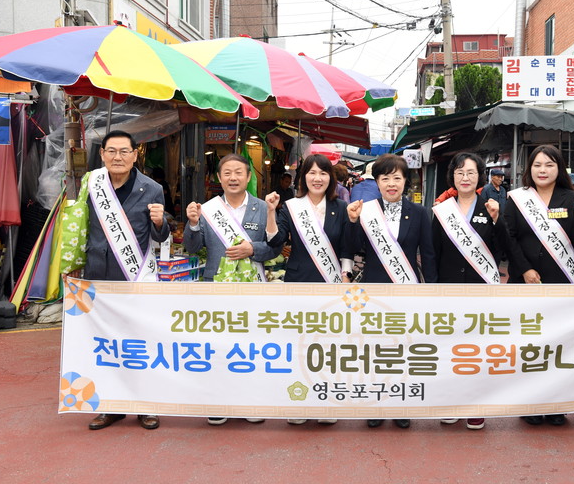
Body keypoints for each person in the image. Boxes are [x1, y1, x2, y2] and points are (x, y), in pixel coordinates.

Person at [184, 154, 281, 426]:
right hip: (217, 289)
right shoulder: (207, 209)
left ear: (249, 177)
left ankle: (252, 400)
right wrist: (193, 224)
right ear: (219, 177)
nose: (233, 178)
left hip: (253, 289)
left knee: (252, 346)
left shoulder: (263, 207)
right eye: (227, 173)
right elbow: (192, 248)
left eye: (239, 172)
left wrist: (252, 249)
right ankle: (219, 401)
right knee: (218, 346)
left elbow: (274, 248)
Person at [497, 144, 574, 428]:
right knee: (528, 344)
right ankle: (530, 402)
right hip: (526, 280)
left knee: (558, 344)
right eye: (537, 165)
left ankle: (556, 403)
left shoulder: (573, 198)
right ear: (530, 169)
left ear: (559, 168)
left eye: (549, 165)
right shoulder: (518, 198)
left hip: (561, 281)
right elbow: (509, 238)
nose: (543, 170)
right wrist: (525, 269)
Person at [84, 130, 169, 431]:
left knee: (140, 343)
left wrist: (160, 221)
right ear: (102, 154)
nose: (117, 157)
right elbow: (77, 226)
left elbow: (161, 235)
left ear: (135, 155)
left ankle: (146, 405)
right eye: (111, 151)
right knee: (105, 344)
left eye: (124, 151)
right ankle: (111, 405)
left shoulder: (152, 188)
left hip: (135, 277)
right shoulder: (91, 184)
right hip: (98, 276)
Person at [346, 153, 437, 430]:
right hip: (374, 288)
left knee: (404, 347)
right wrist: (353, 222)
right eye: (385, 178)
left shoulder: (419, 213)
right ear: (377, 182)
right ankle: (375, 402)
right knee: (374, 347)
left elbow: (428, 254)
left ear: (405, 181)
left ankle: (400, 403)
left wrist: (432, 290)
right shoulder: (366, 210)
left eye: (397, 177)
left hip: (407, 289)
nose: (391, 184)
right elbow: (353, 247)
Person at [265, 154, 354, 426]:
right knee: (300, 345)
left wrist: (346, 274)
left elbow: (347, 248)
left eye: (323, 173)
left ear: (331, 178)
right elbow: (276, 241)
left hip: (332, 284)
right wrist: (271, 211)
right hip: (299, 283)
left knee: (330, 345)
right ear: (303, 177)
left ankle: (326, 402)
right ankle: (299, 401)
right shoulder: (291, 207)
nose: (318, 178)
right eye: (312, 173)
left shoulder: (341, 207)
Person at [432, 152, 502, 430]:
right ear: (453, 176)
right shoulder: (442, 210)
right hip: (448, 287)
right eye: (460, 172)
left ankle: (476, 405)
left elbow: (501, 250)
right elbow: (433, 252)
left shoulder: (491, 207)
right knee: (449, 348)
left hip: (480, 288)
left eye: (471, 172)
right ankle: (450, 402)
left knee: (477, 348)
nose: (465, 178)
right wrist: (434, 287)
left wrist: (497, 221)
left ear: (480, 176)